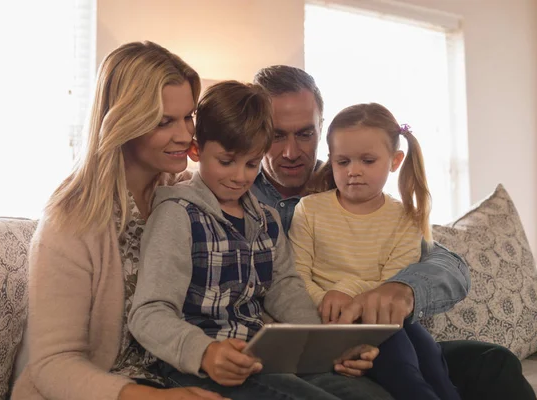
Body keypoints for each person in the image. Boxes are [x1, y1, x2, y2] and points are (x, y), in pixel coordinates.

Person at [251, 65, 537, 400]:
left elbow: (448, 264)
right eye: (276, 135)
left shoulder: (360, 189)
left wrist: (402, 287)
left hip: (387, 335)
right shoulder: (236, 196)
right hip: (309, 350)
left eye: (304, 134)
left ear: (321, 130)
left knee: (494, 361)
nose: (290, 152)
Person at [128, 80, 389, 400]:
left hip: (259, 359)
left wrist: (328, 347)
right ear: (196, 150)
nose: (239, 176)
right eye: (226, 161)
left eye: (251, 164)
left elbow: (285, 289)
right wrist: (204, 352)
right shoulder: (177, 214)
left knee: (374, 396)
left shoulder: (266, 220)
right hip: (195, 366)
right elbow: (148, 313)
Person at [11, 41, 228, 400]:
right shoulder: (70, 221)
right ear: (124, 121)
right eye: (164, 121)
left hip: (174, 377)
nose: (185, 134)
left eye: (188, 117)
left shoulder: (186, 195)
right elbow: (53, 363)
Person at [289, 102, 461, 399]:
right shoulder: (310, 210)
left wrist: (346, 290)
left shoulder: (406, 216)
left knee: (430, 360)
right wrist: (328, 300)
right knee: (405, 371)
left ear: (394, 161)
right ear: (330, 161)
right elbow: (295, 273)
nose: (354, 171)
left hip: (383, 317)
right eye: (343, 162)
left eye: (368, 161)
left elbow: (393, 281)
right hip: (331, 321)